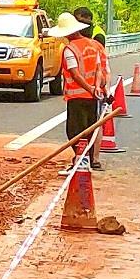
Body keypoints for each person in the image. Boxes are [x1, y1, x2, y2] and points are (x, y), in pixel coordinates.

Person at [50, 11, 107, 171]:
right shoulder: (94, 45)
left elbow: (74, 73)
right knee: (89, 129)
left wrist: (89, 88)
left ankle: (80, 161)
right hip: (93, 96)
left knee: (74, 132)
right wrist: (96, 88)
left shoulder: (70, 49)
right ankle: (84, 160)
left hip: (77, 96)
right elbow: (99, 69)